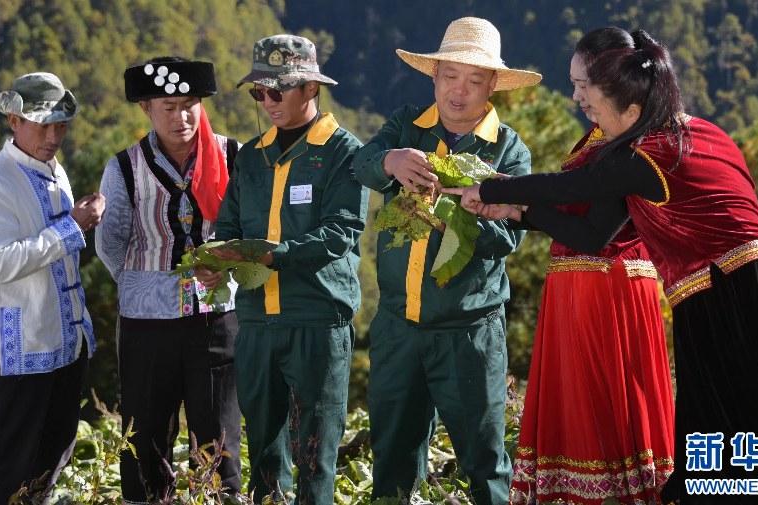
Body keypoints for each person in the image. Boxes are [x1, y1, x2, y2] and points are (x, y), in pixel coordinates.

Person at [445, 31, 758, 504]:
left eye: (594, 101)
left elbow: (571, 185)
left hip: (726, 295)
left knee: (731, 435)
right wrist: (518, 214)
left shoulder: (644, 154)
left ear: (631, 111)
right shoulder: (703, 133)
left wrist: (492, 189)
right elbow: (593, 236)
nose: (587, 110)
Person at [352, 17, 539, 505]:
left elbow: (507, 238)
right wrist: (389, 161)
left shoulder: (508, 149)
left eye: (474, 79)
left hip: (469, 332)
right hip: (398, 325)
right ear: (433, 76)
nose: (460, 90)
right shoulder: (406, 125)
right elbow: (362, 163)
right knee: (391, 456)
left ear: (493, 84)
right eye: (450, 76)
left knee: (485, 462)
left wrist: (453, 213)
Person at [497, 27, 675, 505]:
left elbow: (594, 236)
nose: (575, 95)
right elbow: (578, 214)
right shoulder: (608, 130)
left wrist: (505, 193)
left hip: (605, 290)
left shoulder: (626, 138)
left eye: (582, 84)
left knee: (600, 412)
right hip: (588, 286)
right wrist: (519, 212)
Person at [211, 35, 369, 504]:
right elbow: (228, 224)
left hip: (316, 322)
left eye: (277, 90)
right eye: (259, 92)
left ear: (310, 89)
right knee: (263, 452)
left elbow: (340, 233)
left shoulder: (344, 151)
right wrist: (215, 261)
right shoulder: (250, 155)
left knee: (314, 454)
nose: (268, 101)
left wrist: (268, 256)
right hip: (257, 324)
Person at [95, 57, 242, 504]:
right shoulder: (124, 168)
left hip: (216, 318)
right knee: (145, 436)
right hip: (146, 323)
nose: (181, 117)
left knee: (218, 436)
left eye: (190, 104)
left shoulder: (232, 156)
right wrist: (149, 280)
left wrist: (227, 262)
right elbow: (111, 243)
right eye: (168, 106)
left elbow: (248, 228)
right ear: (146, 108)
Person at [0, 72, 103, 505]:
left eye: (60, 125)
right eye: (42, 124)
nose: (53, 135)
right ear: (13, 120)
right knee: (3, 464)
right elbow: (1, 264)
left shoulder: (52, 172)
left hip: (59, 339)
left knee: (50, 456)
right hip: (17, 349)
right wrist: (73, 227)